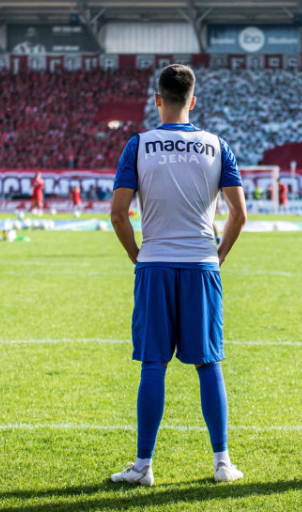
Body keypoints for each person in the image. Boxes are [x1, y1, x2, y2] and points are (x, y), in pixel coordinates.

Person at [109, 64, 248, 487]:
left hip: (153, 262)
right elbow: (239, 214)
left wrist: (137, 253)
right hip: (201, 264)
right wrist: (218, 254)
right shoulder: (216, 145)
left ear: (157, 100)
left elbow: (118, 213)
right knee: (209, 363)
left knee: (153, 364)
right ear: (193, 100)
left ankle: (143, 467)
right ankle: (222, 463)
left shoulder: (138, 145)